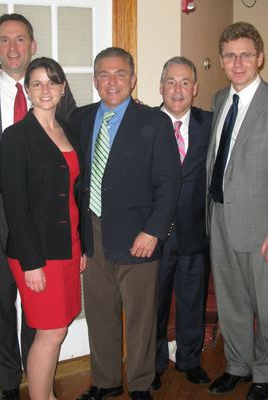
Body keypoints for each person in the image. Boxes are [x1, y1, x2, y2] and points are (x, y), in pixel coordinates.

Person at [0, 14, 77, 399]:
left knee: (41, 316)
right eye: (5, 40)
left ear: (32, 45)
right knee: (0, 307)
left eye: (20, 39)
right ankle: (9, 385)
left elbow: (75, 136)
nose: (12, 47)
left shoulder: (58, 95)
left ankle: (34, 378)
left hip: (44, 223)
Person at [72, 47, 181, 400]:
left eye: (120, 73)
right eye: (104, 74)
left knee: (140, 318)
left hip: (139, 235)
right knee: (100, 314)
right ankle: (106, 382)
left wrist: (153, 231)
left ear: (133, 79)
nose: (112, 81)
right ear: (95, 80)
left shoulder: (154, 122)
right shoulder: (79, 118)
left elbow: (169, 182)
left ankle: (139, 384)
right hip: (93, 232)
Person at [205, 22, 268, 400]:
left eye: (245, 55)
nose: (237, 63)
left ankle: (265, 373)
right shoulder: (219, 99)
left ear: (259, 57)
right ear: (221, 59)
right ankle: (238, 366)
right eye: (230, 56)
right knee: (231, 301)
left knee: (267, 306)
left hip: (261, 228)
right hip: (220, 218)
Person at [0, 57, 84, 400]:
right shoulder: (16, 137)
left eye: (52, 82)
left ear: (63, 87)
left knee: (58, 330)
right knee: (50, 332)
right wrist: (31, 263)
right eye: (37, 83)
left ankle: (46, 395)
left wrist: (82, 246)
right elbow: (15, 207)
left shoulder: (70, 131)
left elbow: (77, 194)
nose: (45, 90)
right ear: (28, 90)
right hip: (36, 253)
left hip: (68, 246)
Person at [150, 56, 212, 392]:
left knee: (193, 303)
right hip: (154, 237)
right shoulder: (144, 124)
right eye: (171, 82)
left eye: (185, 82)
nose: (178, 89)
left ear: (195, 88)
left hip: (195, 234)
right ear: (161, 87)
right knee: (155, 306)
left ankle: (190, 360)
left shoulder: (211, 124)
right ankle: (155, 363)